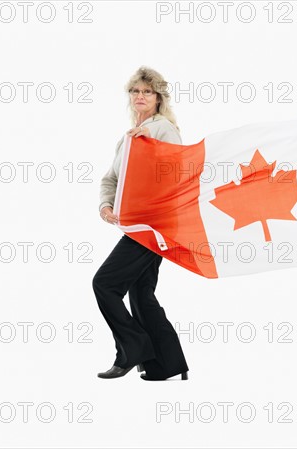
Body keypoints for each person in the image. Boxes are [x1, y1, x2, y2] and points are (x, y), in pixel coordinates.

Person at [93, 66, 189, 381]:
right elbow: (111, 179)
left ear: (159, 97)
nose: (140, 96)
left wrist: (149, 146)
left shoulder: (162, 130)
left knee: (105, 284)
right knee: (141, 295)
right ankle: (167, 365)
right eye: (135, 91)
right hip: (135, 226)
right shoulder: (128, 137)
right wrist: (106, 204)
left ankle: (132, 349)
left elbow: (177, 173)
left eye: (147, 91)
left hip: (154, 226)